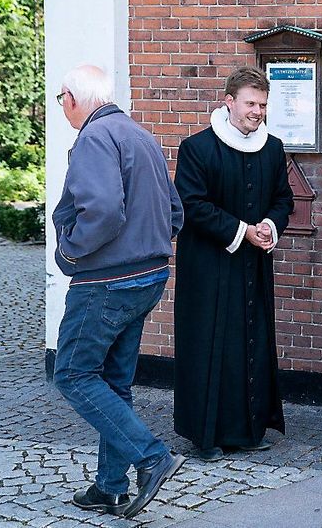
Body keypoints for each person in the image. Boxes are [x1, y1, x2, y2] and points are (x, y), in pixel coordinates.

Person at [51, 64, 186, 518]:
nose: (61, 108)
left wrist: (70, 252)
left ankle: (151, 457)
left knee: (72, 373)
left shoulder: (93, 138)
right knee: (114, 382)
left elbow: (104, 211)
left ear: (71, 96)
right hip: (147, 276)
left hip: (106, 282)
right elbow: (174, 211)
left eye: (60, 99)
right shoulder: (139, 134)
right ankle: (110, 488)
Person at [173, 66, 294, 461]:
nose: (257, 112)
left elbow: (283, 199)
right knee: (210, 346)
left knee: (251, 344)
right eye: (250, 104)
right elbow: (192, 205)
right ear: (228, 102)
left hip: (252, 266)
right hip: (209, 268)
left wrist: (270, 226)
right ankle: (205, 436)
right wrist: (242, 230)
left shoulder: (273, 148)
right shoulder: (196, 148)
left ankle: (248, 430)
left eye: (262, 105)